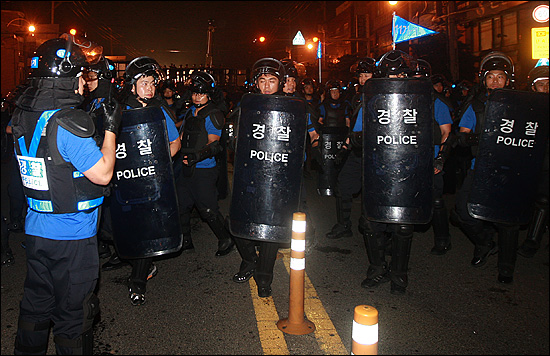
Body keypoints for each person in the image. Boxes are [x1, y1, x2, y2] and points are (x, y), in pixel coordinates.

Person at [11, 34, 119, 354]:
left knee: (36, 304)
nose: (85, 83)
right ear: (68, 78)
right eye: (82, 75)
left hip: (37, 229)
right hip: (72, 233)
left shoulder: (22, 114)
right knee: (75, 314)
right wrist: (112, 128)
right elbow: (102, 174)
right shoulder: (69, 121)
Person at [116, 56, 181, 305]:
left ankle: (138, 282)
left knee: (145, 227)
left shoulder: (160, 111)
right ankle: (142, 262)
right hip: (126, 180)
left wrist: (160, 164)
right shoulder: (120, 112)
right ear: (132, 86)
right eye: (145, 83)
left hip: (152, 179)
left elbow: (174, 143)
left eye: (153, 83)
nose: (150, 88)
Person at [453, 51, 520, 283]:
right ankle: (484, 242)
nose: (495, 81)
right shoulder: (476, 106)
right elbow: (463, 133)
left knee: (508, 221)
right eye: (490, 77)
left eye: (500, 77)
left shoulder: (522, 104)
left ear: (508, 79)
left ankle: (506, 268)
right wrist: (476, 139)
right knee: (462, 211)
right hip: (480, 167)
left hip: (511, 170)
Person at [231, 58, 295, 298]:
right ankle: (249, 261)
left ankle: (264, 276)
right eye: (262, 81)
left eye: (272, 81)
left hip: (279, 176)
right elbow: (232, 132)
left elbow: (302, 142)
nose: (266, 86)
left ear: (280, 82)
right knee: (237, 224)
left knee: (272, 227)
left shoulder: (293, 106)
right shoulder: (247, 105)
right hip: (251, 174)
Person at [360, 49, 419, 295]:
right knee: (372, 223)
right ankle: (377, 269)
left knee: (403, 227)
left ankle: (399, 275)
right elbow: (357, 135)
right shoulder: (372, 102)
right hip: (378, 170)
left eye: (400, 76)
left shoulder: (422, 100)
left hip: (409, 170)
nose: (395, 81)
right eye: (390, 76)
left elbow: (440, 132)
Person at [177, 71, 235, 257]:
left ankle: (225, 238)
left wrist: (197, 156)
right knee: (182, 206)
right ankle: (185, 240)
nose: (197, 96)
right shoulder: (190, 112)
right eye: (194, 93)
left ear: (209, 95)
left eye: (201, 93)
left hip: (204, 168)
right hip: (185, 166)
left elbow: (214, 142)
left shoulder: (213, 114)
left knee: (208, 209)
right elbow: (182, 136)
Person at [325, 60, 375, 240]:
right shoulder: (358, 98)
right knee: (343, 186)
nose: (363, 80)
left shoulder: (383, 98)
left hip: (375, 152)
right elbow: (354, 126)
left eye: (367, 76)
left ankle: (380, 234)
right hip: (356, 149)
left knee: (374, 192)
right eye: (361, 76)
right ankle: (344, 225)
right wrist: (345, 148)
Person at [413, 60, 453, 255]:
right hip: (409, 159)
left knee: (436, 200)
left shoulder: (437, 103)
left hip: (432, 157)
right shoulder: (403, 100)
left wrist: (440, 158)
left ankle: (443, 239)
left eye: (421, 78)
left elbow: (447, 132)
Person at [81, 56, 119, 261]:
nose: (88, 81)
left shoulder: (109, 102)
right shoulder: (92, 101)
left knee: (111, 214)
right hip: (94, 160)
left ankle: (124, 253)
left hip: (107, 162)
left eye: (92, 77)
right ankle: (103, 246)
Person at [517, 59, 549, 258]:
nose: (545, 88)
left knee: (544, 200)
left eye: (548, 84)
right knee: (538, 199)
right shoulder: (527, 106)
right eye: (541, 84)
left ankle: (532, 241)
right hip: (535, 159)